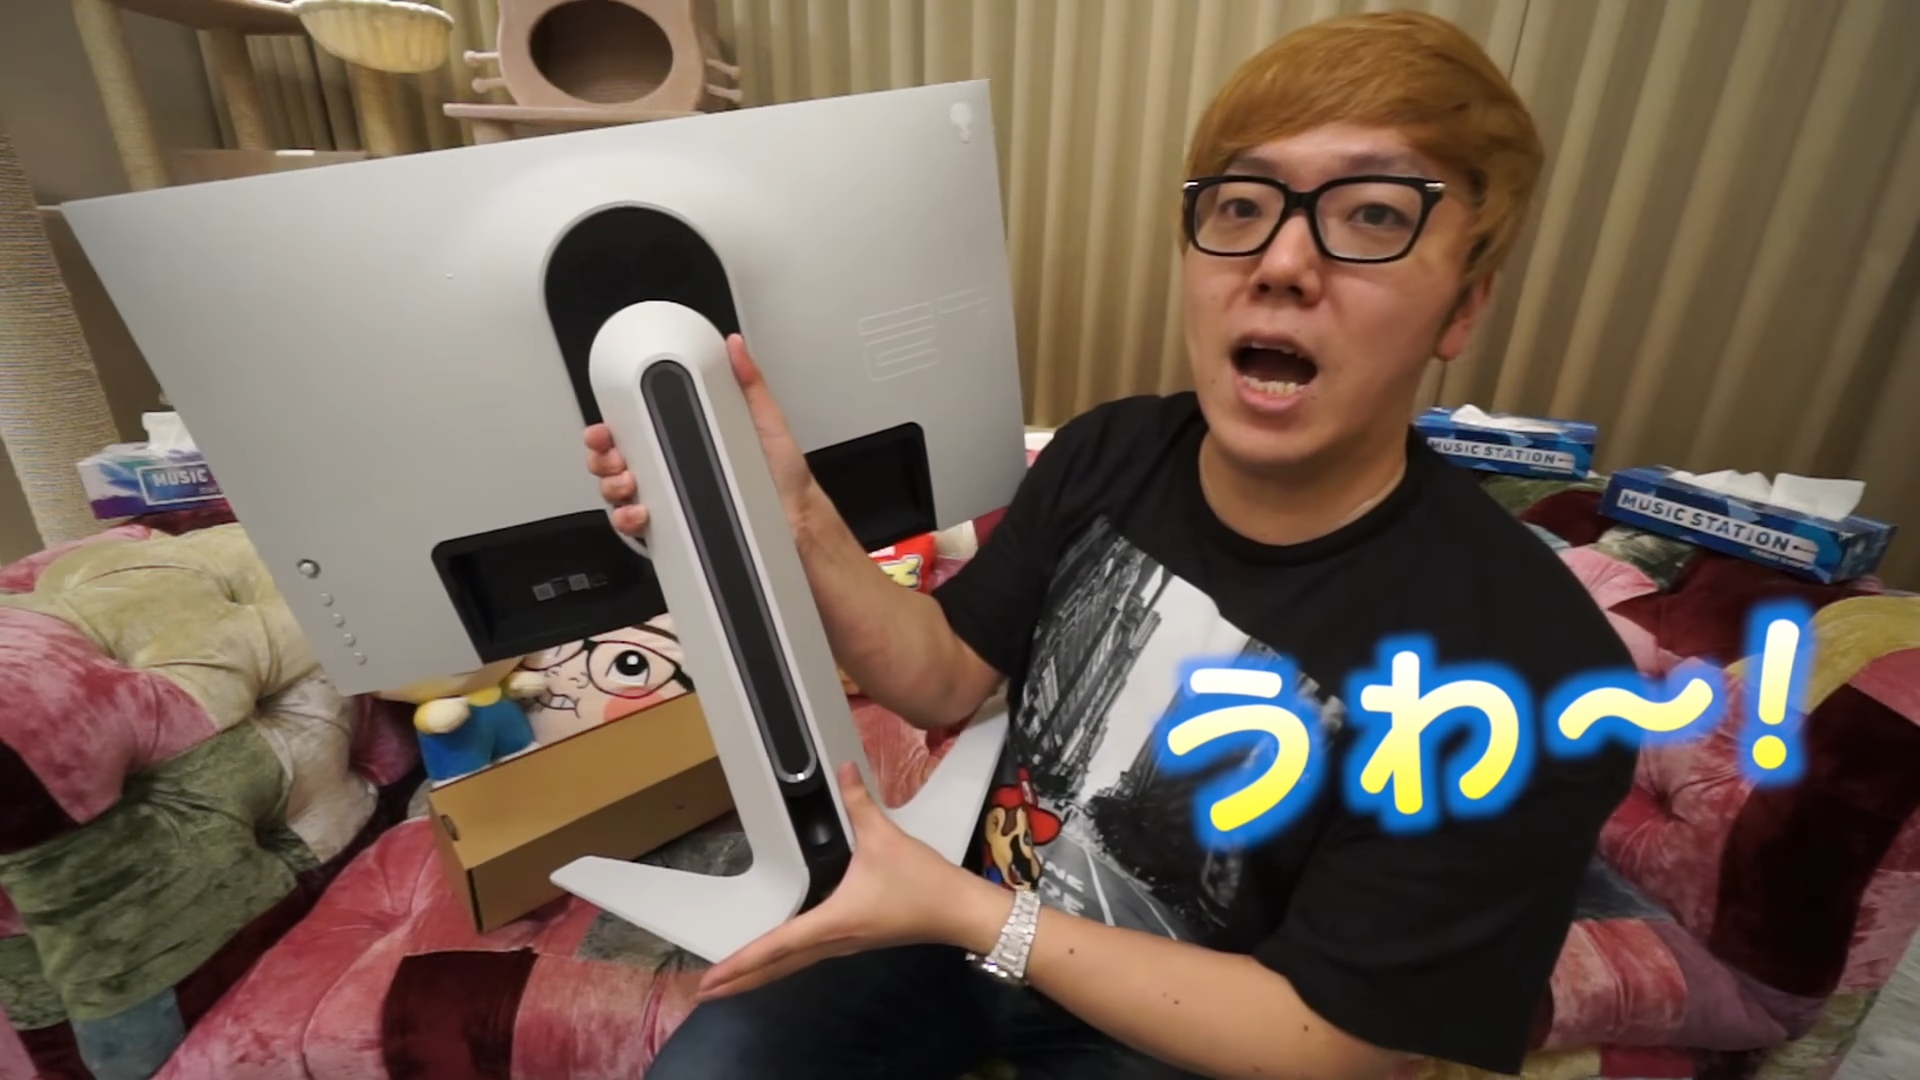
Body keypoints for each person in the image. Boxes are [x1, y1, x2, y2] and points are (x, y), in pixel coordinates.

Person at [585, 11, 1637, 1079]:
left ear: (1463, 305)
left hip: (1192, 1033)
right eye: (1242, 204)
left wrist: (973, 914)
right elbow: (943, 678)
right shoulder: (1110, 451)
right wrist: (793, 513)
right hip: (961, 926)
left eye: (1372, 214)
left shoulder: (1529, 666)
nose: (1281, 261)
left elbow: (1338, 1044)